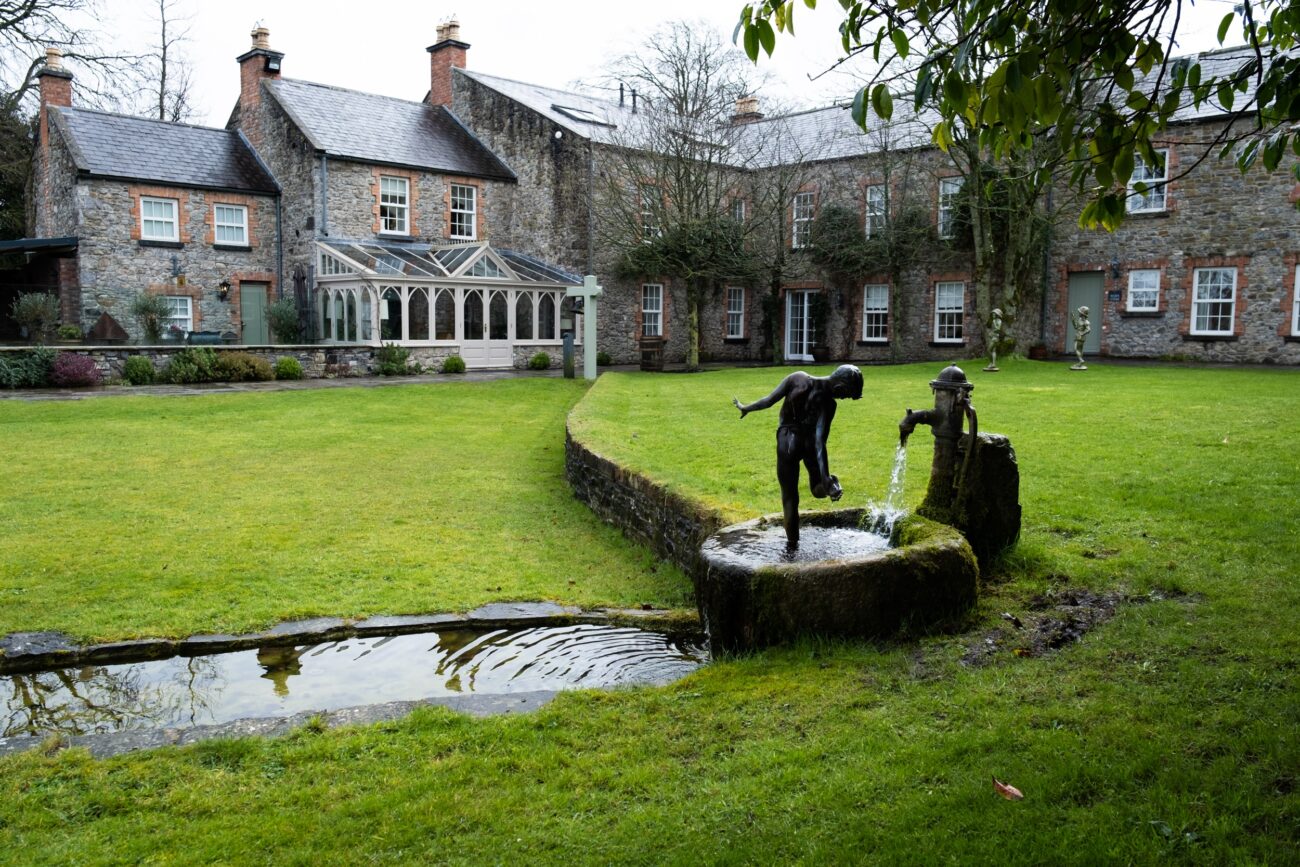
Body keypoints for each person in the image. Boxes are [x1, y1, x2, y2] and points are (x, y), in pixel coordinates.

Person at [732, 364, 863, 548]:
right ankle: (829, 485)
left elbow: (769, 400)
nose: (843, 398)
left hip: (788, 441)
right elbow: (819, 441)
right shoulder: (829, 404)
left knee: (790, 497)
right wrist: (825, 476)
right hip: (809, 442)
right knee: (818, 487)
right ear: (840, 388)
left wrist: (746, 408)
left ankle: (792, 546)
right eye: (845, 395)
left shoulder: (797, 379)